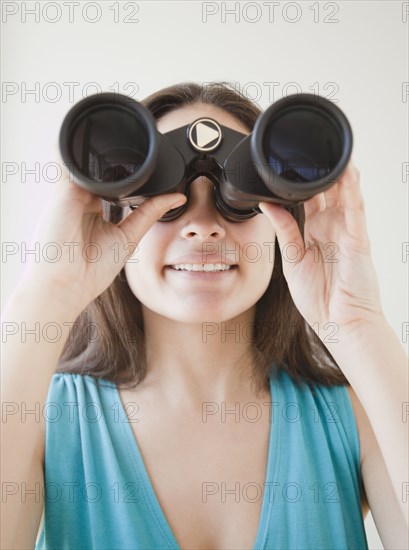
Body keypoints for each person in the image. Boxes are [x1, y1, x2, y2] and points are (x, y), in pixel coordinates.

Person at [2, 82, 407, 550]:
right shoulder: (44, 420)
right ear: (112, 213)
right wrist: (48, 295)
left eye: (240, 200)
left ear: (288, 219)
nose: (202, 223)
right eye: (164, 200)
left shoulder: (354, 417)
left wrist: (357, 323)